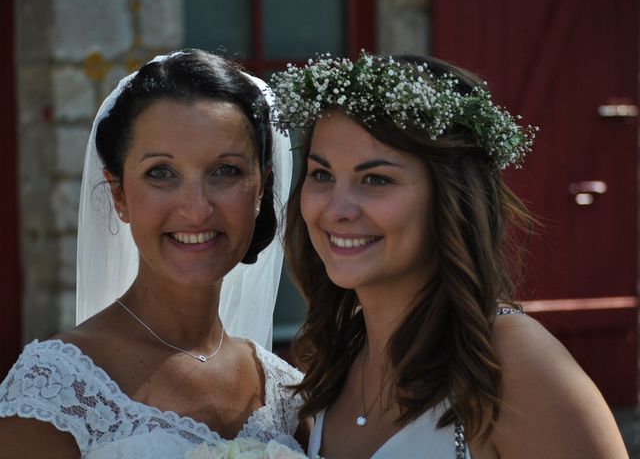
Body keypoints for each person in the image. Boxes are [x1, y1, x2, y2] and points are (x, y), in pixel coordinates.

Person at [271, 52, 628, 459]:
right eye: (322, 175)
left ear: (449, 196)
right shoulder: (335, 357)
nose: (337, 209)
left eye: (376, 179)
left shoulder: (511, 362)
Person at [0, 49, 307, 458]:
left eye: (226, 171)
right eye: (161, 173)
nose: (197, 209)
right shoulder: (55, 390)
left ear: (261, 189)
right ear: (119, 194)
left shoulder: (287, 395)